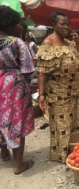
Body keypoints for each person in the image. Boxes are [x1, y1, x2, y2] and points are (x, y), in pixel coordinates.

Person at [35, 11, 79, 163]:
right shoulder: (48, 43)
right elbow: (42, 73)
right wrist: (41, 95)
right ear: (53, 25)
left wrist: (77, 44)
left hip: (73, 91)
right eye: (62, 23)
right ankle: (61, 156)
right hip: (58, 93)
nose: (66, 27)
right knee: (61, 125)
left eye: (67, 23)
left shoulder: (69, 43)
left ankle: (71, 153)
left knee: (72, 123)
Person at [0, 5, 35, 174]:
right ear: (8, 24)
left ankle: (4, 154)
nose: (20, 26)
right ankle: (18, 165)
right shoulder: (16, 42)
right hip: (13, 86)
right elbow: (28, 69)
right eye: (17, 23)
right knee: (16, 121)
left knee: (1, 119)